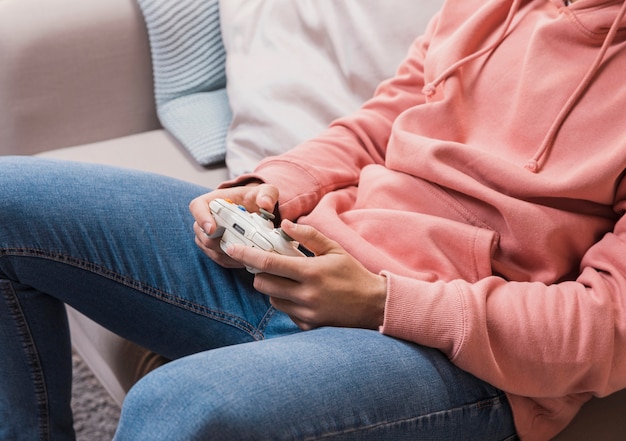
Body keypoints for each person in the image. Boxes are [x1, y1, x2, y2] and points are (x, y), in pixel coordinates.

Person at [2, 0, 626, 439]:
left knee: (177, 407)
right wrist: (270, 188)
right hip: (311, 259)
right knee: (8, 197)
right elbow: (384, 120)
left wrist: (382, 302)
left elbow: (606, 328)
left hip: (456, 354)